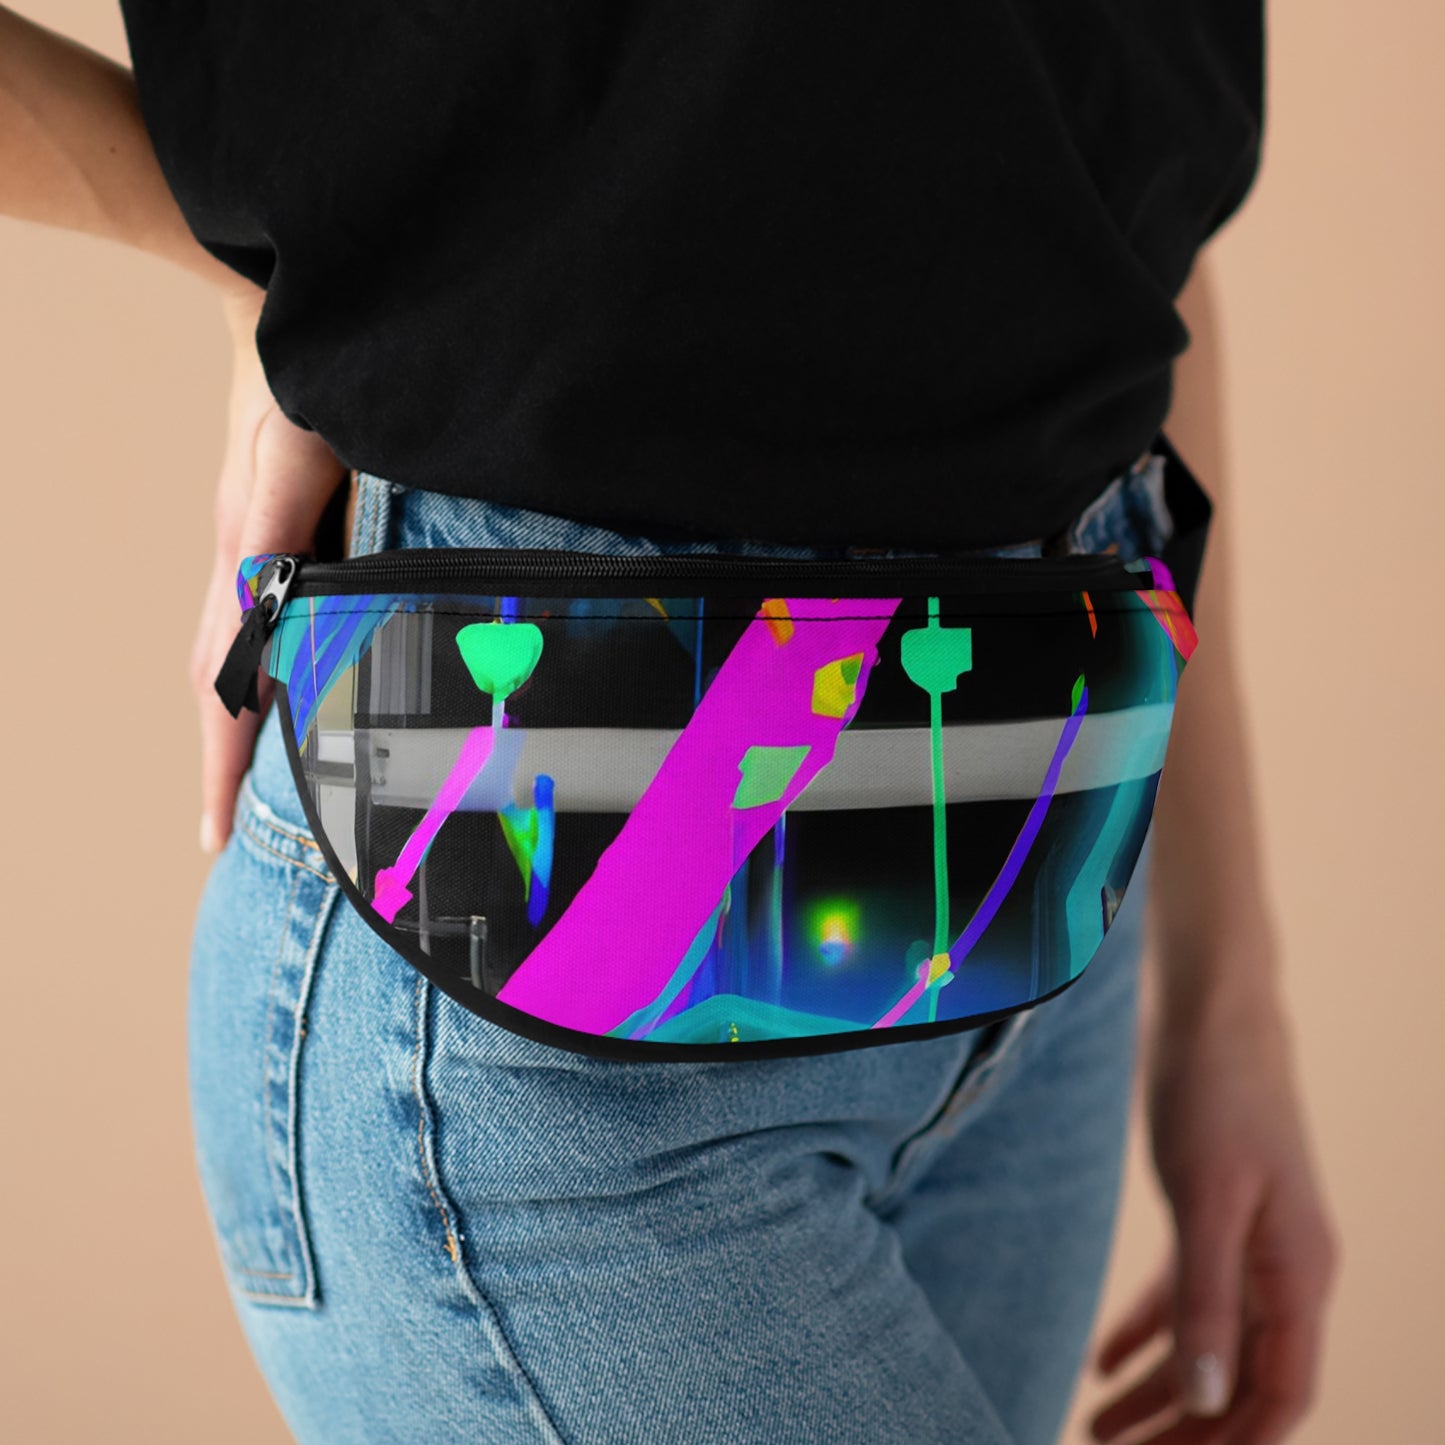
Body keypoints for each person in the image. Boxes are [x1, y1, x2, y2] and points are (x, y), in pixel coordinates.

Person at [2, 6, 1337, 1442]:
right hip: (550, 991)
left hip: (1054, 858)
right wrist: (254, 278)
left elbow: (1123, 197)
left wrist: (1227, 993)